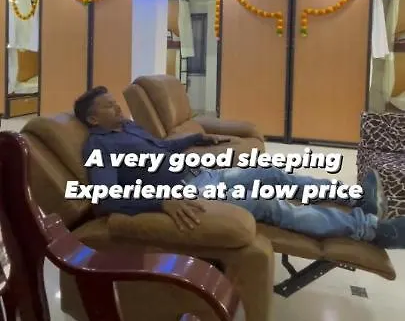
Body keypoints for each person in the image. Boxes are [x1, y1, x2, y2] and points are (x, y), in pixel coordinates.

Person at [74, 86, 405, 249]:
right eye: (109, 106)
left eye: (116, 103)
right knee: (268, 203)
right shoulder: (100, 146)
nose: (118, 108)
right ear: (93, 118)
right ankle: (370, 230)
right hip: (190, 193)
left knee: (272, 173)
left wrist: (197, 139)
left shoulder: (128, 127)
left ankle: (355, 196)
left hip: (200, 174)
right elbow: (106, 199)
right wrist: (161, 201)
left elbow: (161, 147)